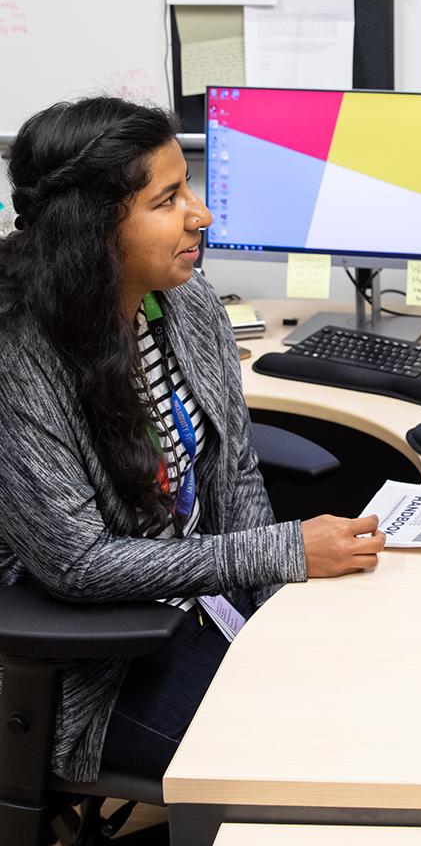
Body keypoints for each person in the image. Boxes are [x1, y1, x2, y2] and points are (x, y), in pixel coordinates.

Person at [0, 98, 385, 785]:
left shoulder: (185, 299)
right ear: (94, 228)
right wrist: (283, 551)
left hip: (201, 596)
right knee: (313, 762)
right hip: (97, 653)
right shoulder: (21, 356)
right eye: (168, 198)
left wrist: (274, 607)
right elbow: (78, 566)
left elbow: (233, 471)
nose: (200, 215)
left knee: (360, 694)